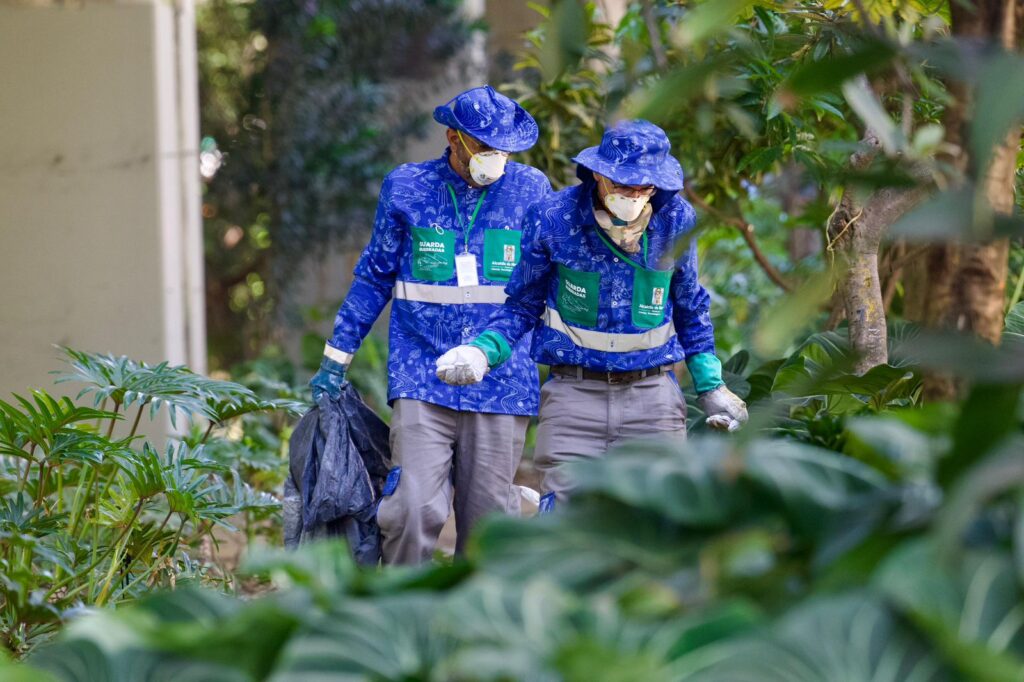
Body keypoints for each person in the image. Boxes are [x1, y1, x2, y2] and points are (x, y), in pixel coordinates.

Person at [435, 119, 747, 506]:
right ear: (599, 173)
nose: (634, 195)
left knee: (656, 518)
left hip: (651, 397)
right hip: (574, 396)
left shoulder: (675, 221)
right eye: (624, 184)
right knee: (565, 517)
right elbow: (522, 305)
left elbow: (690, 306)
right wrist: (482, 351)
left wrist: (711, 386)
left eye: (645, 187)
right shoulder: (553, 218)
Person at [310, 85, 550, 563]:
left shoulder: (531, 190)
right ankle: (405, 601)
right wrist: (336, 356)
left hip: (501, 382)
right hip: (422, 374)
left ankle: (477, 609)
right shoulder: (408, 188)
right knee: (411, 510)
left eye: (504, 149)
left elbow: (545, 282)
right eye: (484, 147)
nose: (495, 158)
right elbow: (374, 276)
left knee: (488, 526)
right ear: (453, 138)